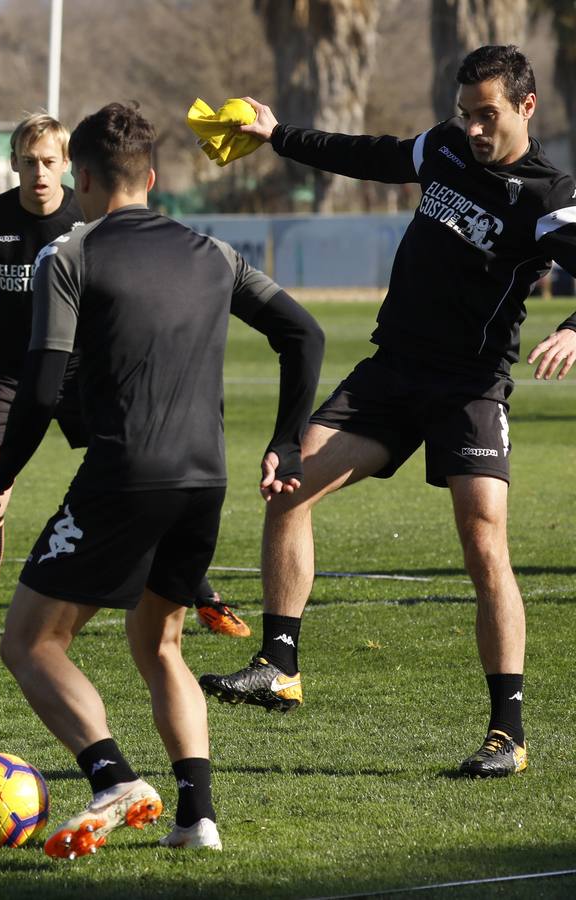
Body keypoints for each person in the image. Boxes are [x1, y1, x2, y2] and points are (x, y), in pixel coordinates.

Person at [198, 45, 576, 778]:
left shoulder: (546, 196)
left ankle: (508, 733)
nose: (470, 127)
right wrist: (278, 135)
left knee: (485, 542)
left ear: (527, 107)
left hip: (470, 386)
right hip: (391, 372)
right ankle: (280, 665)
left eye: (487, 114)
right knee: (290, 483)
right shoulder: (441, 147)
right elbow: (369, 155)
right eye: (464, 112)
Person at [0, 102, 323, 857]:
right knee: (159, 641)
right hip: (205, 479)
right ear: (154, 178)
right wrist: (286, 442)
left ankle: (112, 776)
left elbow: (37, 392)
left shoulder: (69, 256)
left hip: (125, 474)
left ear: (83, 176)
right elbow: (305, 332)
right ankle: (198, 820)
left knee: (31, 642)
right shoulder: (211, 251)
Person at [0, 113, 251, 647]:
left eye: (48, 162)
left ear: (69, 165)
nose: (38, 173)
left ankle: (205, 596)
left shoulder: (86, 216)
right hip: (12, 376)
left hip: (85, 371)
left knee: (138, 481)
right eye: (27, 162)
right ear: (13, 164)